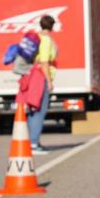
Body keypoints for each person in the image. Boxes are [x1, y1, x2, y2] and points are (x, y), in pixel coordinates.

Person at [28, 16, 57, 154]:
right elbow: (45, 61)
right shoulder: (46, 40)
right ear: (52, 26)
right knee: (40, 110)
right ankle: (33, 143)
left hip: (34, 75)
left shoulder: (38, 38)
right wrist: (49, 81)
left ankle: (34, 141)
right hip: (41, 77)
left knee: (34, 109)